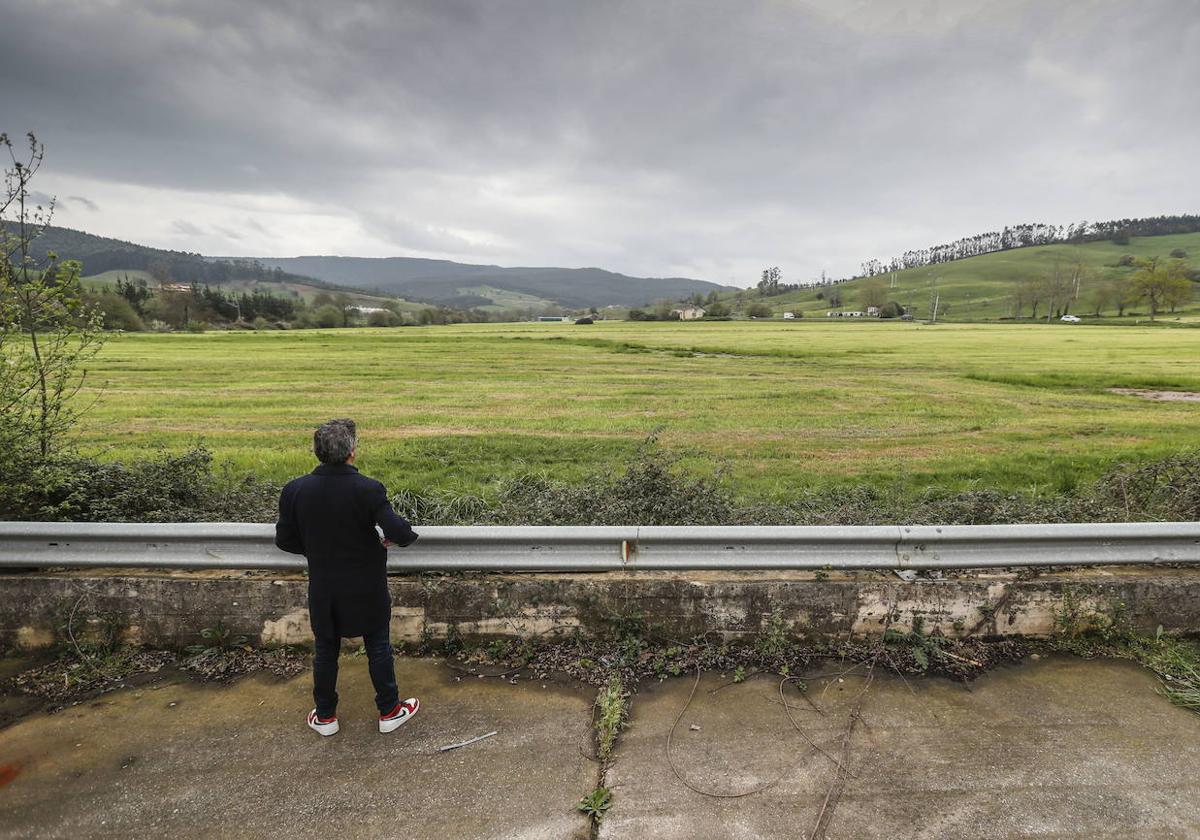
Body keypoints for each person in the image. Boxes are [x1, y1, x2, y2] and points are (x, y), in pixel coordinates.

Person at [274, 418, 420, 737]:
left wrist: (316, 550)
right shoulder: (367, 488)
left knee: (325, 649)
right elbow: (399, 531)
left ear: (317, 452)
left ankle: (325, 716)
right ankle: (390, 711)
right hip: (366, 584)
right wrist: (394, 539)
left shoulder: (295, 490)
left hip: (324, 586)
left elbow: (284, 540)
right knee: (378, 646)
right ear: (352, 452)